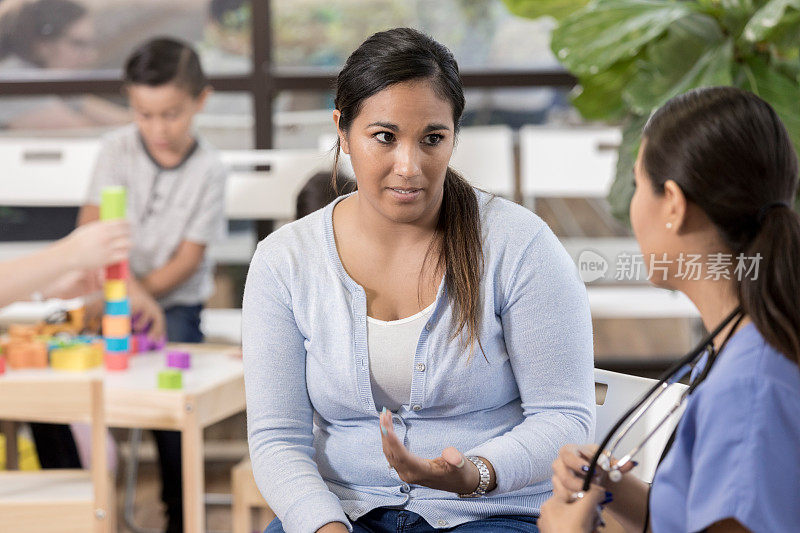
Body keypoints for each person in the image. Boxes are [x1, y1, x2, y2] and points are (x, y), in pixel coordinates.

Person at [242, 27, 595, 533]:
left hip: (489, 511)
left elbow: (565, 417)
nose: (409, 167)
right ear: (342, 130)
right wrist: (325, 526)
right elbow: (277, 439)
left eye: (433, 139)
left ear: (455, 134)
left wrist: (471, 474)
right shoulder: (283, 262)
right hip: (344, 511)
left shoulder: (520, 244)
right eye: (384, 137)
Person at [538, 87, 800, 533]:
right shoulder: (746, 345)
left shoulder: (750, 387)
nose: (631, 210)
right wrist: (612, 487)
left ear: (674, 205)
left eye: (639, 184)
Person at [77, 37, 227, 533]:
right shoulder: (115, 149)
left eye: (171, 114)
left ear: (200, 101)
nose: (158, 128)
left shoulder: (208, 170)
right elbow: (90, 230)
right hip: (108, 292)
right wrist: (128, 293)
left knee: (172, 403)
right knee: (71, 385)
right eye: (145, 114)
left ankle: (178, 515)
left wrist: (144, 294)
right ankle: (80, 505)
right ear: (129, 101)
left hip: (176, 302)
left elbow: (189, 257)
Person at [0, 0, 131, 129]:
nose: (90, 56)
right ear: (43, 45)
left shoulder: (53, 81)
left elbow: (122, 120)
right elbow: (83, 132)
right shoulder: (15, 79)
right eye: (78, 44)